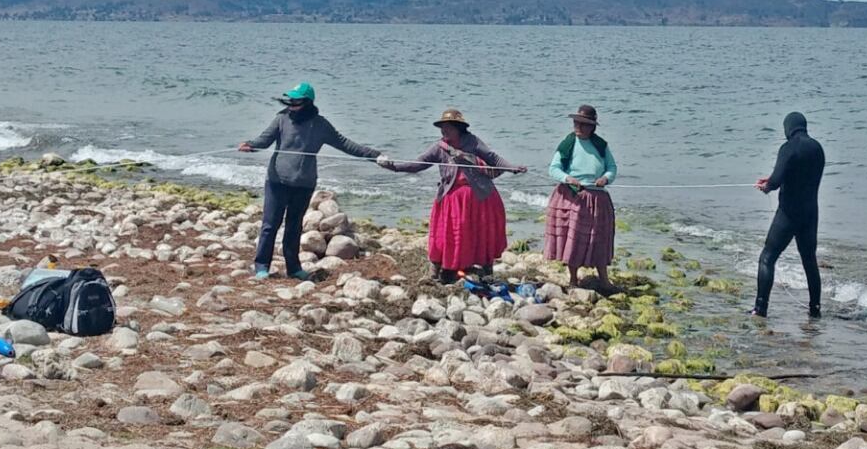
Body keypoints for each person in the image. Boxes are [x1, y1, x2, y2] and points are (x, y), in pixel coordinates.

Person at [237, 82, 384, 281]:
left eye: (296, 100)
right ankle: (262, 266)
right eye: (290, 100)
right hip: (277, 181)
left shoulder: (320, 124)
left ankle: (294, 268)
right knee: (270, 225)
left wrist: (374, 156)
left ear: (307, 102)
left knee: (294, 226)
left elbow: (346, 144)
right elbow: (264, 140)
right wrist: (251, 146)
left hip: (304, 184)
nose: (291, 104)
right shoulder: (281, 118)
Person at [379, 108, 527, 284]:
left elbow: (493, 158)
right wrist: (394, 167)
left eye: (448, 127)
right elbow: (418, 164)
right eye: (442, 127)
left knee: (481, 233)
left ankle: (486, 269)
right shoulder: (439, 148)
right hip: (452, 198)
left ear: (458, 128)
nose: (444, 131)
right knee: (446, 234)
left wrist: (512, 168)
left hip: (480, 197)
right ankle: (440, 269)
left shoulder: (472, 142)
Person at [753, 111, 825, 319]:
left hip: (789, 213)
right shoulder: (817, 148)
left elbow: (775, 182)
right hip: (811, 214)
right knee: (809, 261)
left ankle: (760, 309)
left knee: (767, 257)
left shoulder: (788, 148)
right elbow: (801, 175)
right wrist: (775, 180)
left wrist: (767, 186)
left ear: (788, 128)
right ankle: (815, 309)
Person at [545, 104, 620, 294]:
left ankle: (604, 279)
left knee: (599, 238)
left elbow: (611, 167)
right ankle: (572, 279)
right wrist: (568, 178)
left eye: (583, 124)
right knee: (575, 237)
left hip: (597, 198)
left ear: (592, 126)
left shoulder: (601, 145)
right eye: (576, 122)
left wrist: (605, 178)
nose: (578, 126)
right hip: (573, 196)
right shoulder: (567, 144)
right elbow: (554, 168)